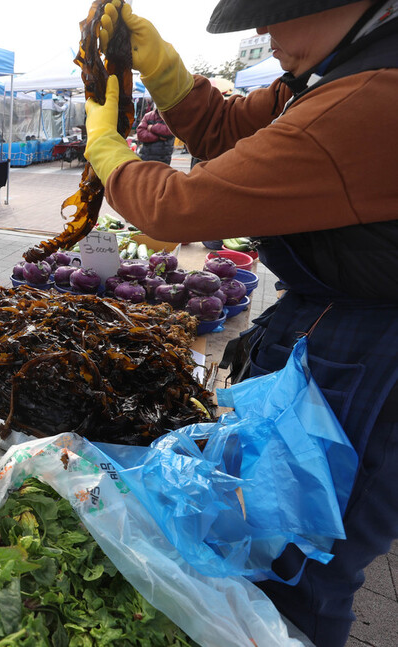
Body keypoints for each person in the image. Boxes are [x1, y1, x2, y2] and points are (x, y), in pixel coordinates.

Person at [84, 1, 398, 644]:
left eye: (274, 12)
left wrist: (109, 156)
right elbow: (231, 130)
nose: (261, 30)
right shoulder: (328, 74)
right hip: (340, 323)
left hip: (380, 358)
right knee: (274, 532)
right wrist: (165, 69)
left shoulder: (374, 95)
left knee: (308, 562)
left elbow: (180, 206)